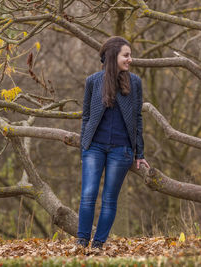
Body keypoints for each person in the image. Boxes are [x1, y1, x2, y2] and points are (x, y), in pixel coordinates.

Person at [77, 36, 150, 249]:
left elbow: (137, 118)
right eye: (126, 55)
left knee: (109, 199)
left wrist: (140, 153)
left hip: (122, 150)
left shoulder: (134, 82)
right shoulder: (93, 81)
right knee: (88, 194)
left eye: (129, 55)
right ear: (112, 56)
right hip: (94, 147)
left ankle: (98, 244)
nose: (130, 59)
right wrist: (84, 145)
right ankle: (81, 242)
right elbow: (86, 116)